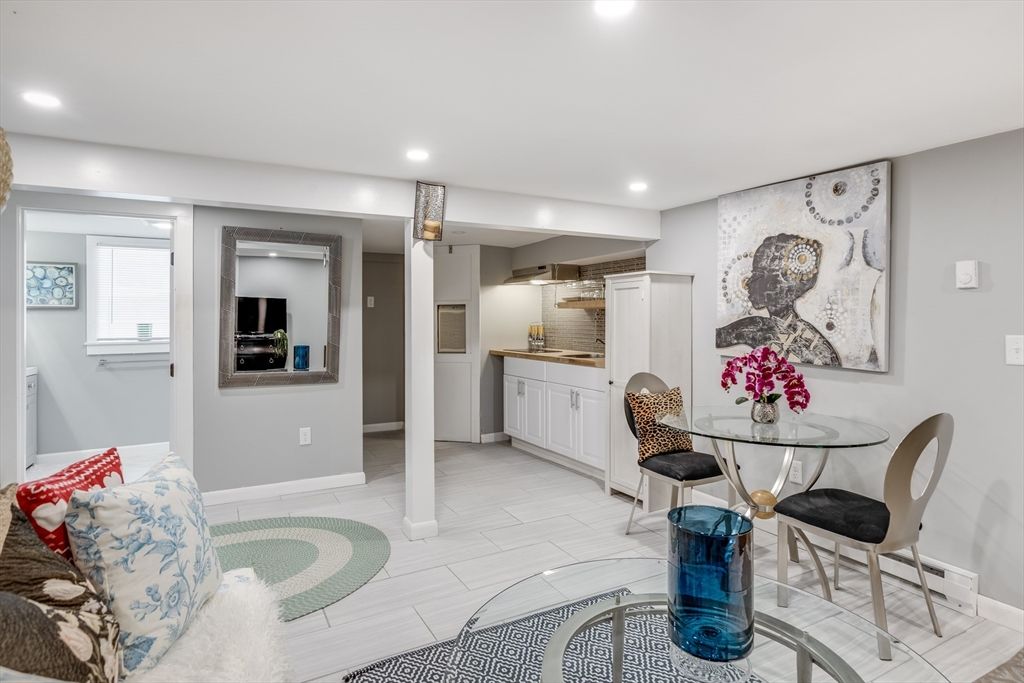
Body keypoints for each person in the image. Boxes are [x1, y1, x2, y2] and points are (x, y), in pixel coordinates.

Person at [716, 233, 841, 367]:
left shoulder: (816, 346)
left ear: (776, 285)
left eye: (757, 274)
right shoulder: (754, 326)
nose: (748, 283)